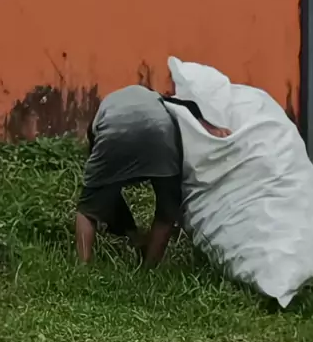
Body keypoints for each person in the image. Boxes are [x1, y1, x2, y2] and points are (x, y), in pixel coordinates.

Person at [75, 85, 231, 267]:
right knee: (167, 211)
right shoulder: (157, 98)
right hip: (160, 134)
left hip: (113, 132)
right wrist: (209, 126)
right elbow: (185, 107)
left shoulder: (103, 111)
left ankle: (82, 265)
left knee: (88, 209)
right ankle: (149, 267)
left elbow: (105, 190)